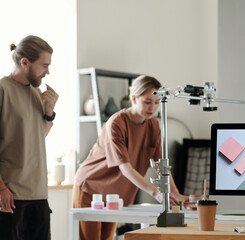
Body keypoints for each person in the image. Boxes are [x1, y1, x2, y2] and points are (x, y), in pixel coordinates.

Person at [73, 75, 188, 240]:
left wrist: (175, 193)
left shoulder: (153, 125)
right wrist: (157, 193)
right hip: (91, 188)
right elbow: (125, 168)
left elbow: (160, 165)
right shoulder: (116, 124)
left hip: (115, 194)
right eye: (147, 102)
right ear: (134, 98)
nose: (153, 107)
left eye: (156, 103)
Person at [0, 35, 59, 239]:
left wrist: (49, 112)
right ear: (25, 62)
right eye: (44, 65)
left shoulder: (36, 92)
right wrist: (1, 189)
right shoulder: (2, 90)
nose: (48, 71)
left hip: (39, 194)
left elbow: (36, 137)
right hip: (11, 196)